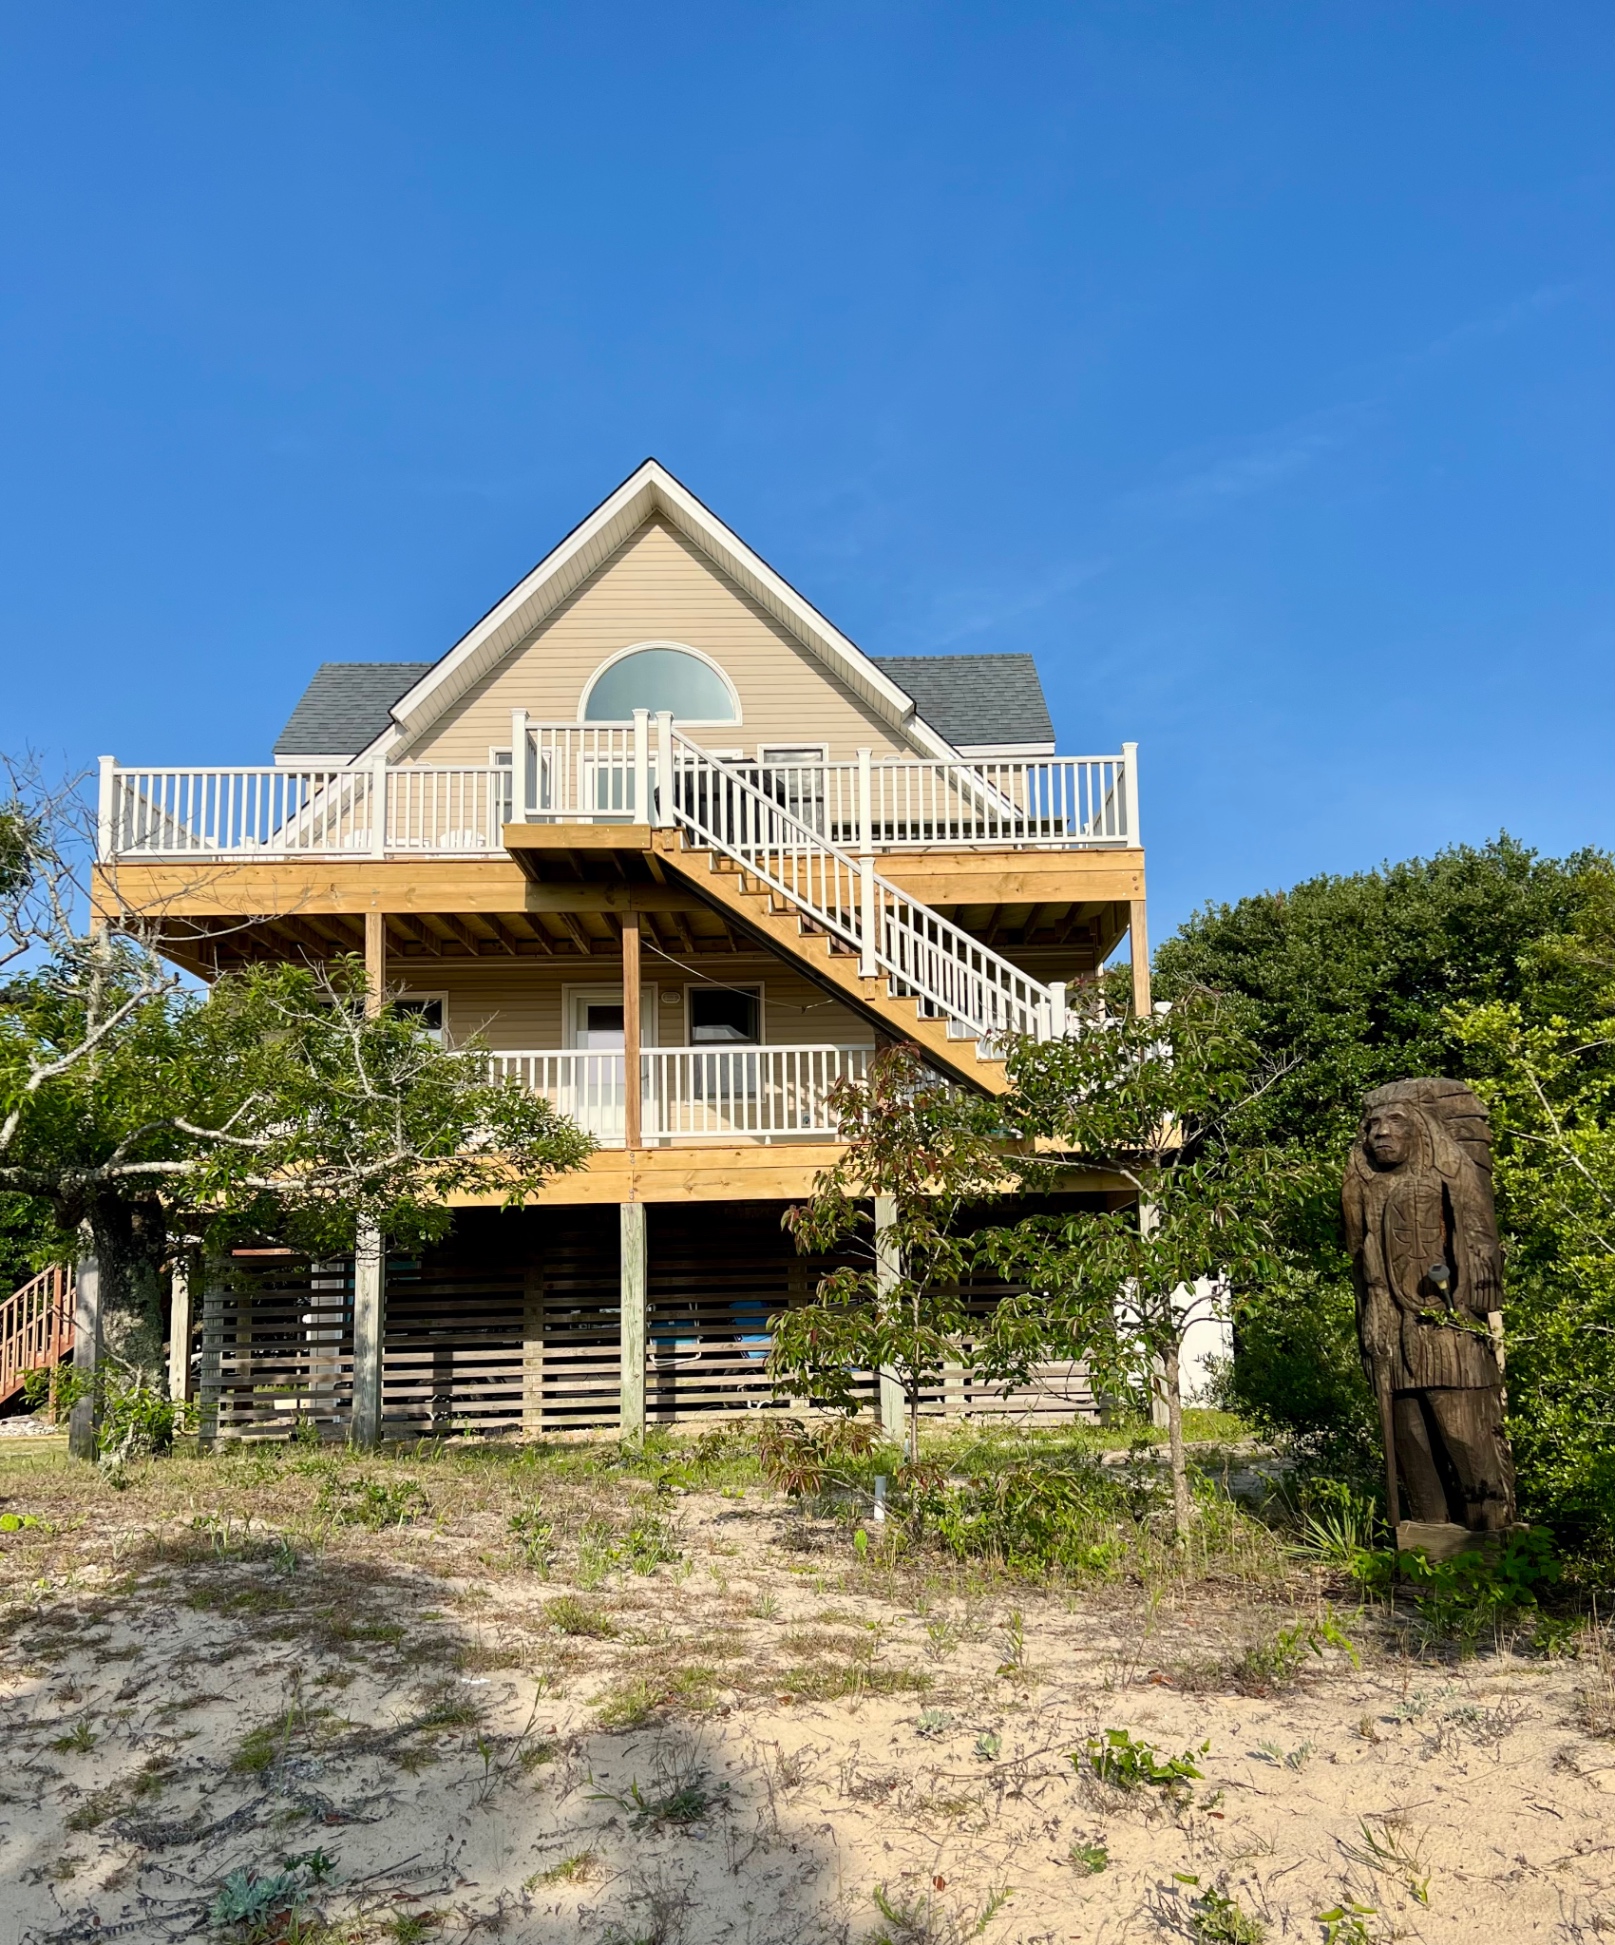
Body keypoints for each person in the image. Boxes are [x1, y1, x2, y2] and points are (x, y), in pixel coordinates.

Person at [1342, 1080, 1516, 1531]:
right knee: (1409, 1440)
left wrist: (1465, 1301)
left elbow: (1479, 1243)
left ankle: (1489, 1535)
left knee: (1464, 1436)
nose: (1380, 1132)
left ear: (1421, 1130)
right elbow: (1361, 1259)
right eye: (1372, 1124)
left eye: (1395, 1121)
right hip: (1390, 1334)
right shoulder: (1366, 1186)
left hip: (1448, 1329)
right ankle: (1427, 1538)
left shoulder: (1449, 1175)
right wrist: (1373, 1310)